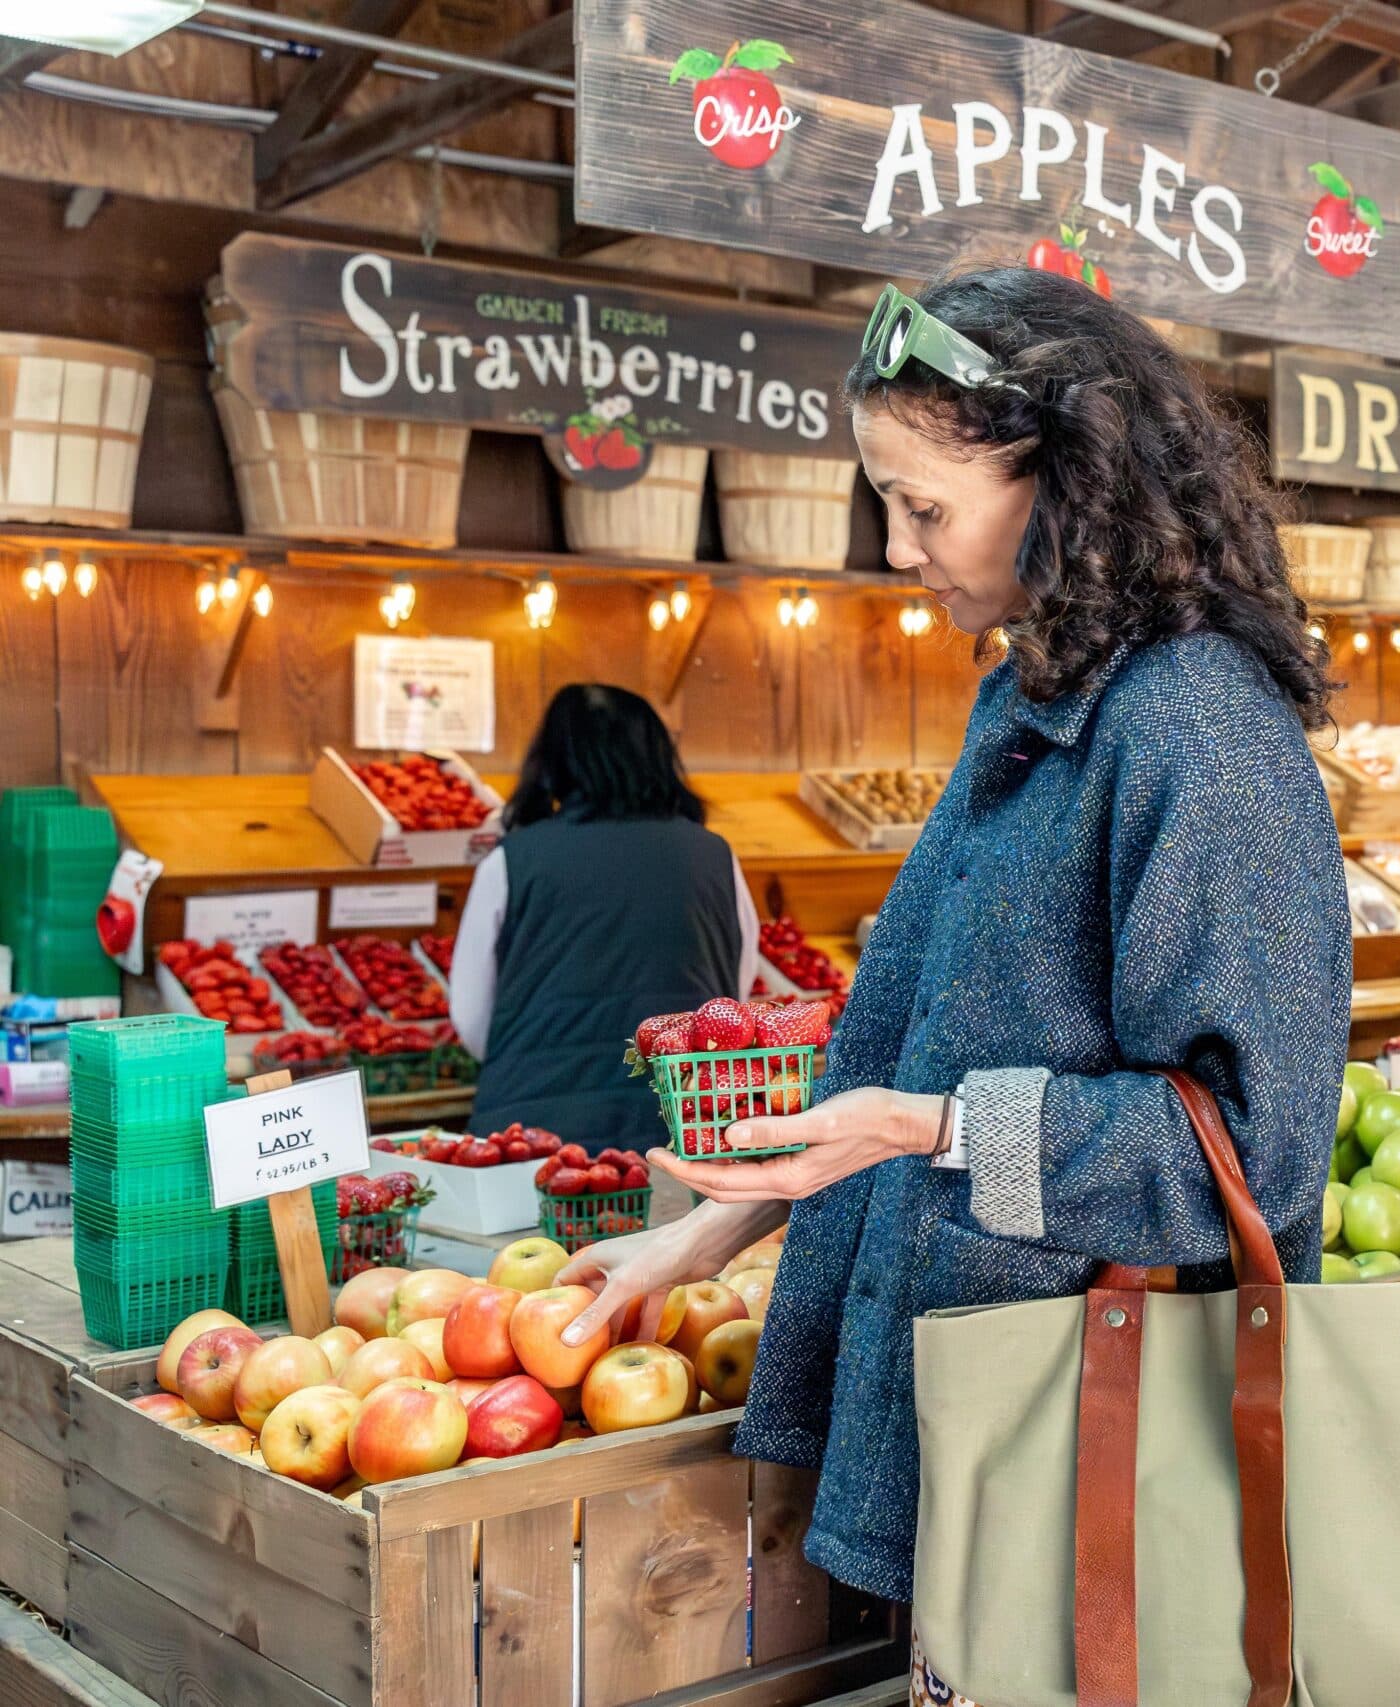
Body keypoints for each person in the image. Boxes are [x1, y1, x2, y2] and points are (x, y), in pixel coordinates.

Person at [552, 268, 1350, 1681]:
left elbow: (1256, 1149)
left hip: (1100, 1437)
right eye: (884, 503)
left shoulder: (1198, 728)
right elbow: (901, 1047)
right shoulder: (1033, 693)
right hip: (990, 1406)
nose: (896, 546)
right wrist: (701, 1240)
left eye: (924, 506)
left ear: (1069, 479)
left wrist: (938, 1127)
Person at [449, 683, 757, 1145]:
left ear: (552, 761)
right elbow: (734, 991)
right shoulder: (714, 856)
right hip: (684, 1125)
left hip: (535, 1134)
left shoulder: (512, 861)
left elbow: (471, 1015)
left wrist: (528, 1057)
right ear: (658, 756)